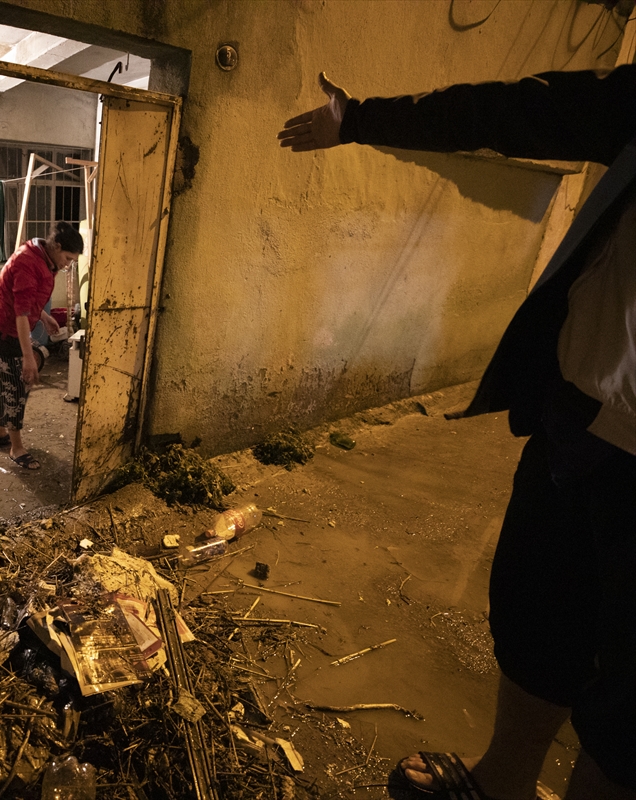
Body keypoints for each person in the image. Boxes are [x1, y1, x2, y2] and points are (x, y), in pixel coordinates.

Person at [279, 66, 635, 800]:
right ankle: (500, 783)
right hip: (580, 415)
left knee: (631, 702)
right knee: (538, 620)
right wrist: (363, 120)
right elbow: (513, 111)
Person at [0, 221, 83, 471]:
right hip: (2, 334)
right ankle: (16, 448)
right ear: (56, 246)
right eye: (67, 258)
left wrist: (45, 317)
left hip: (5, 330)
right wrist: (27, 356)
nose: (67, 264)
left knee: (4, 385)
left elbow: (30, 300)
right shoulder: (28, 261)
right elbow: (21, 313)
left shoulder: (47, 259)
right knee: (16, 388)